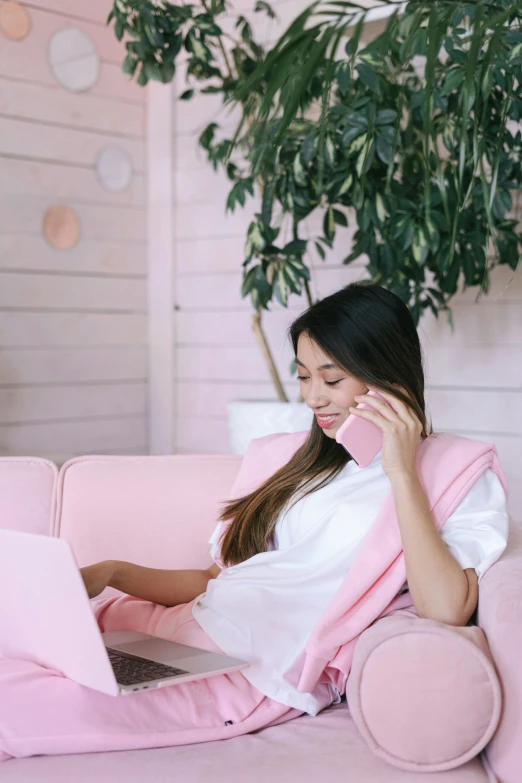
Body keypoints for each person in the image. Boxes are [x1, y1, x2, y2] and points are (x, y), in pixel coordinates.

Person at [0, 282, 509, 762]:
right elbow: (219, 582)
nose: (312, 398)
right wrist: (111, 573)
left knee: (16, 712)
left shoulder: (454, 473)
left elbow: (444, 608)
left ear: (389, 377)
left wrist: (401, 471)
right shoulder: (303, 463)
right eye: (305, 377)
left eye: (331, 379)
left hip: (252, 669)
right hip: (177, 634)